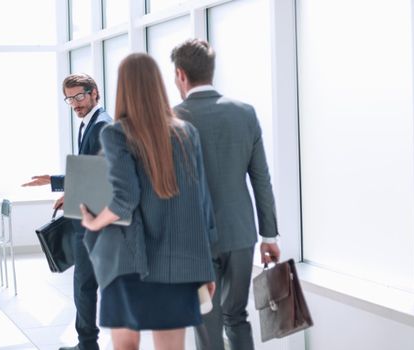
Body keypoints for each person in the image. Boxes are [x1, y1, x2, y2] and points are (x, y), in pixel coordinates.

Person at [79, 53, 216, 350]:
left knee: (125, 346)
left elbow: (124, 199)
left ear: (123, 88)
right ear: (158, 85)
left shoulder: (117, 134)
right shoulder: (186, 133)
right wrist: (207, 269)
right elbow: (202, 207)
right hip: (179, 265)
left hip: (129, 264)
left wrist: (93, 221)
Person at [170, 38, 281, 350]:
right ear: (211, 70)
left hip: (194, 242)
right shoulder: (245, 113)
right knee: (236, 316)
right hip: (240, 235)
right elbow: (261, 179)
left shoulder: (172, 118)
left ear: (180, 74)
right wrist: (268, 235)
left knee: (206, 320)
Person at [22, 73, 112, 350]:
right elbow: (87, 168)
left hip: (93, 219)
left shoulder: (102, 125)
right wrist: (55, 182)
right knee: (83, 284)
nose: (75, 103)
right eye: (69, 99)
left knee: (84, 285)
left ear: (94, 92)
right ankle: (86, 342)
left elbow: (104, 173)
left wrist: (64, 188)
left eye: (79, 96)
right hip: (87, 215)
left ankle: (87, 344)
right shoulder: (88, 124)